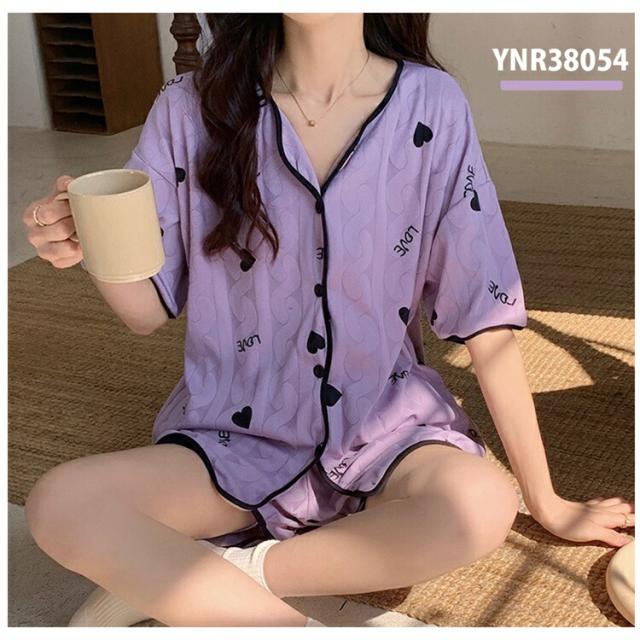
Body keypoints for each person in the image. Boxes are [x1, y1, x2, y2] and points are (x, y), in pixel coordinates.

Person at [21, 13, 634, 628]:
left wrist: (545, 500)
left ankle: (193, 578)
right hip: (232, 432)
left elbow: (485, 313)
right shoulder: (190, 108)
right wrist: (85, 242)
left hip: (385, 428)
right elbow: (144, 311)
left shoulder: (431, 105)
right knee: (63, 504)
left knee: (480, 504)